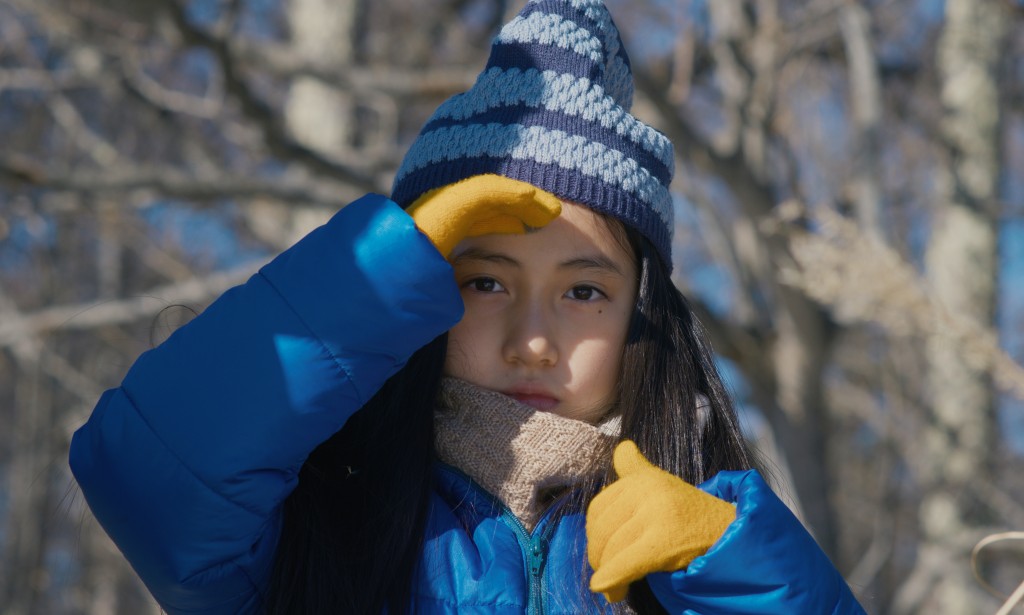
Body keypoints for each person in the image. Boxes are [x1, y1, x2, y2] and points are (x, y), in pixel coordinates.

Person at [70, 0, 867, 613]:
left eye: (585, 291)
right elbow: (146, 472)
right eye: (482, 281)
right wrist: (380, 269)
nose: (531, 340)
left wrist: (728, 566)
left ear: (642, 316)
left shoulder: (697, 551)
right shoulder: (320, 520)